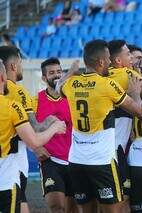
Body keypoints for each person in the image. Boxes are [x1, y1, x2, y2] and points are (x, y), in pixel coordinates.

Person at [57, 39, 142, 213]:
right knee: (113, 209)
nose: (111, 63)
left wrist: (72, 72)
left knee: (86, 210)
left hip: (76, 160)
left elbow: (58, 86)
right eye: (108, 59)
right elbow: (138, 111)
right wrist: (136, 93)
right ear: (101, 62)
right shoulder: (107, 84)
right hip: (101, 161)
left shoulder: (71, 84)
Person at [0, 59, 66, 213]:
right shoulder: (13, 106)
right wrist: (54, 126)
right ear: (3, 78)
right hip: (5, 180)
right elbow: (34, 141)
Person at [107, 39, 142, 212]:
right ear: (118, 60)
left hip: (107, 149)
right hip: (113, 151)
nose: (131, 57)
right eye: (127, 54)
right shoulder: (125, 74)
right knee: (121, 200)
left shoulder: (107, 75)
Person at [33, 58, 77, 213]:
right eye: (51, 73)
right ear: (44, 78)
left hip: (74, 159)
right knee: (57, 207)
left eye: (59, 71)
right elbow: (26, 127)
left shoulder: (73, 97)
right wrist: (36, 147)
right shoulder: (36, 101)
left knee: (74, 209)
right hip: (51, 160)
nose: (57, 75)